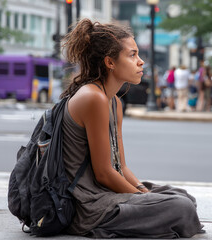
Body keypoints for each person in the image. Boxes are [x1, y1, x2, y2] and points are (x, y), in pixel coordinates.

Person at [59, 19, 203, 238]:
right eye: (132, 55)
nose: (141, 62)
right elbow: (104, 173)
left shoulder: (113, 101)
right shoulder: (93, 98)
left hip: (104, 193)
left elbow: (121, 166)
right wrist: (142, 198)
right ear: (110, 62)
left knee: (182, 197)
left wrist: (142, 192)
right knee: (180, 208)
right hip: (87, 206)